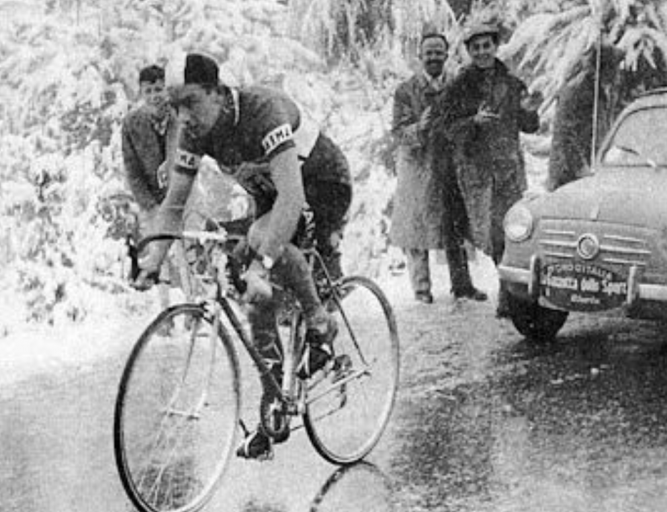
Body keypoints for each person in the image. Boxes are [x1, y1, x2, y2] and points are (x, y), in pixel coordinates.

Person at [137, 52, 352, 460]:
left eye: (190, 103)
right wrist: (154, 258)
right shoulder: (196, 130)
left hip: (321, 186)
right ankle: (272, 407)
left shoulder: (262, 110)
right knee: (251, 287)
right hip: (273, 198)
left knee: (259, 245)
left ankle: (320, 323)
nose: (183, 117)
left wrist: (264, 261)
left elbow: (293, 199)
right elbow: (173, 203)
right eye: (175, 106)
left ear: (218, 93)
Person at [439, 22, 541, 318]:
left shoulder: (512, 83)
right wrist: (473, 123)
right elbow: (446, 128)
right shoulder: (459, 87)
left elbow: (529, 125)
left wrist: (530, 109)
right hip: (477, 172)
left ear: (495, 47)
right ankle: (509, 293)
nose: (483, 52)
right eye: (476, 47)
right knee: (489, 234)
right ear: (469, 51)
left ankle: (509, 296)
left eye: (487, 46)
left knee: (511, 230)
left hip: (508, 169)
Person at [390, 32, 487, 304]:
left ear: (446, 55)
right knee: (416, 231)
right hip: (418, 169)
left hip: (449, 165)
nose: (433, 57)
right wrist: (419, 128)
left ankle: (463, 285)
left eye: (438, 52)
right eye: (428, 52)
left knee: (454, 224)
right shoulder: (406, 91)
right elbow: (398, 132)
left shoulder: (456, 85)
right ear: (420, 57)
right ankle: (422, 292)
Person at [121, 64, 184, 311]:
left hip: (182, 196)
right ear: (141, 94)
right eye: (148, 91)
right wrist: (148, 204)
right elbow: (131, 168)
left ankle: (195, 310)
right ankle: (165, 310)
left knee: (188, 253)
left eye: (159, 89)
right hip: (152, 200)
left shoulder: (179, 118)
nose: (155, 96)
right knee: (159, 253)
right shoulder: (132, 124)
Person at [547, 43, 622, 191]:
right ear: (605, 68)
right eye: (615, 67)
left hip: (594, 166)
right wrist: (581, 168)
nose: (618, 73)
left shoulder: (604, 89)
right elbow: (565, 134)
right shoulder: (578, 90)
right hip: (570, 173)